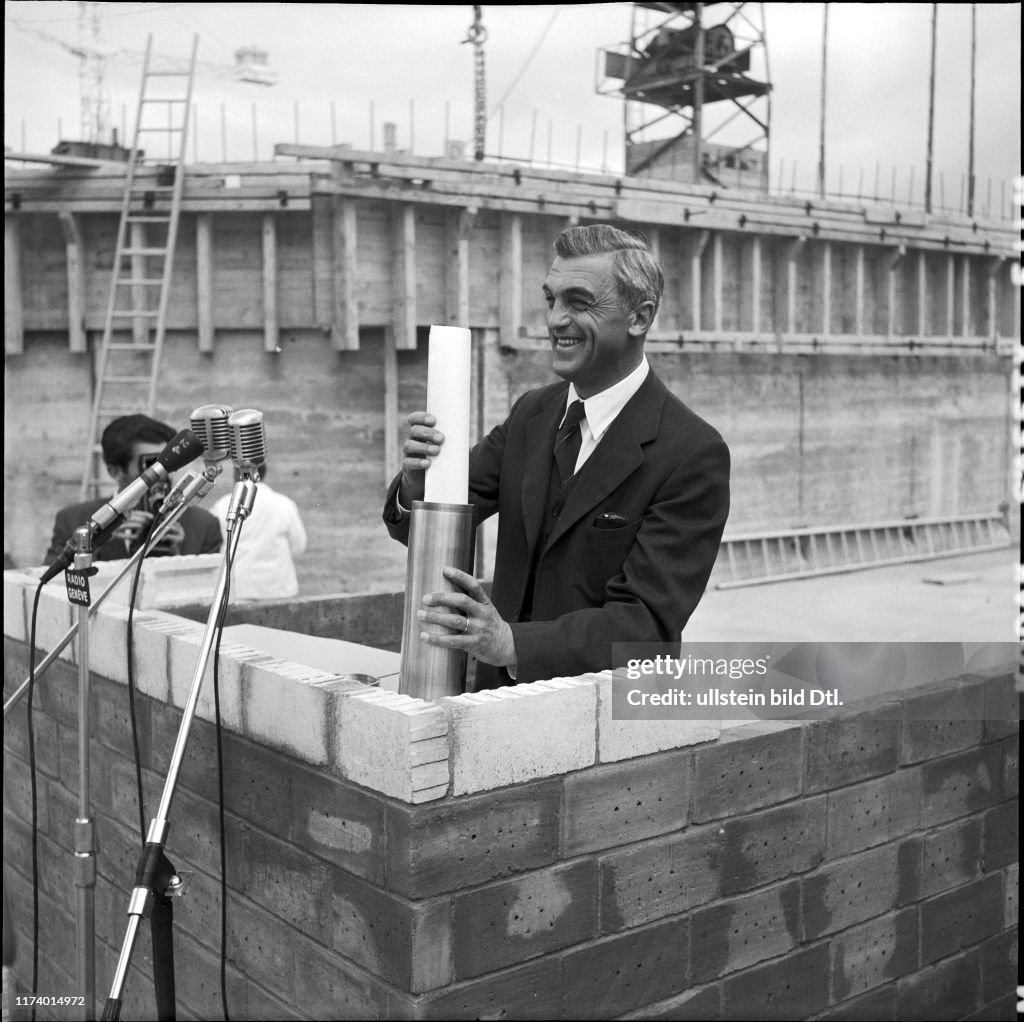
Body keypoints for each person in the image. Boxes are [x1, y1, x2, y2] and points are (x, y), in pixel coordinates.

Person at [383, 223, 731, 690]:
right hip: (493, 707)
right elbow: (432, 520)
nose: (555, 320)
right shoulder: (533, 414)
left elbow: (646, 627)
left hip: (603, 727)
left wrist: (512, 645)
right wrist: (417, 482)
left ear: (639, 318)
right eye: (551, 299)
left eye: (579, 302)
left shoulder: (692, 453)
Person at [44, 414, 222, 565]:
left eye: (170, 464)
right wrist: (100, 545)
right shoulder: (74, 522)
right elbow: (51, 590)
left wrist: (179, 560)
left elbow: (210, 597)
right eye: (151, 467)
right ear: (115, 472)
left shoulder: (204, 526)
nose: (162, 476)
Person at [210, 460, 307, 601]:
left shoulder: (222, 505)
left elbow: (216, 546)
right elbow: (298, 546)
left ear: (238, 473)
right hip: (278, 588)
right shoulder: (284, 504)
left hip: (238, 587)